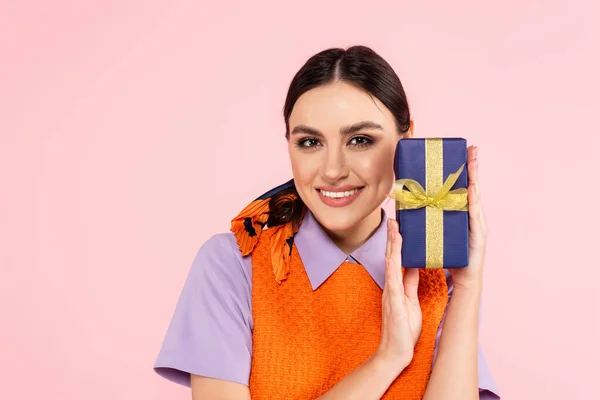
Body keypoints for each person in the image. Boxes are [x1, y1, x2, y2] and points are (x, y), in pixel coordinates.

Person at [154, 45, 500, 399]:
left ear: (405, 139)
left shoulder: (436, 276)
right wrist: (388, 358)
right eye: (309, 142)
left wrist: (468, 285)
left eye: (360, 140)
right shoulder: (234, 263)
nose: (333, 170)